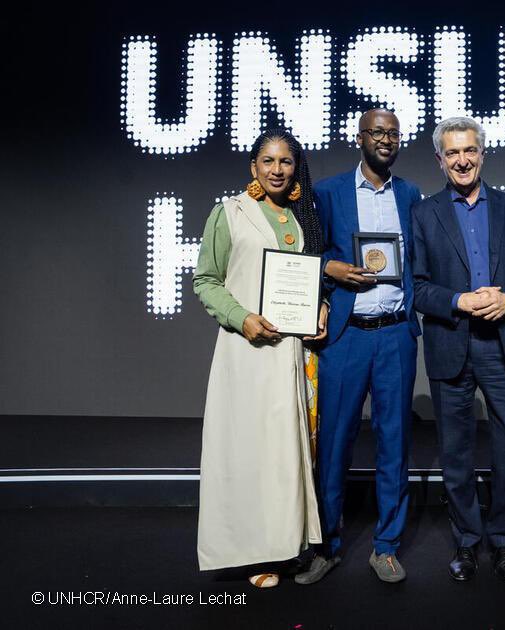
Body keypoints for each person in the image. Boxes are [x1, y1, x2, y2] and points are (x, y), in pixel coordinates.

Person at [412, 116, 505, 582]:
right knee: (455, 452)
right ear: (440, 159)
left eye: (469, 150)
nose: (462, 160)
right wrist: (458, 300)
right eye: (452, 153)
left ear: (482, 153)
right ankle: (467, 543)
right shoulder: (424, 213)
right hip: (451, 345)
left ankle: (504, 542)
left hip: (503, 345)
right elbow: (415, 287)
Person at [193, 129, 328, 589]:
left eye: (286, 162)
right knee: (247, 451)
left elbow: (305, 283)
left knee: (285, 454)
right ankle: (252, 552)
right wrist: (241, 317)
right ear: (253, 167)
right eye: (268, 161)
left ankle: (285, 545)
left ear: (295, 168)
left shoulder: (299, 218)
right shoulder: (229, 213)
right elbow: (206, 280)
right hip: (247, 350)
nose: (277, 170)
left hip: (291, 354)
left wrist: (319, 309)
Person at [294, 109, 422, 585]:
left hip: (394, 335)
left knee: (395, 443)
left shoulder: (410, 194)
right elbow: (310, 248)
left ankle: (386, 546)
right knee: (333, 445)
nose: (385, 140)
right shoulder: (327, 192)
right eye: (377, 132)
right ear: (360, 137)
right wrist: (331, 270)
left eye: (392, 133)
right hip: (345, 336)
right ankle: (326, 545)